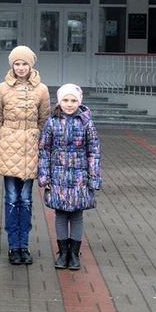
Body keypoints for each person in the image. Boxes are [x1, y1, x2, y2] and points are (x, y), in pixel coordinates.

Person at [0, 46, 50, 266]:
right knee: (11, 198)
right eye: (17, 63)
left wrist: (32, 136)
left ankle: (24, 245)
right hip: (9, 148)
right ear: (12, 65)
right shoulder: (2, 88)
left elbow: (44, 119)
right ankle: (12, 245)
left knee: (25, 199)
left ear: (31, 65)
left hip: (30, 149)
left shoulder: (41, 90)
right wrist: (8, 135)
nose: (21, 67)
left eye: (24, 63)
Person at [38, 83, 101, 271]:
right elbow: (44, 150)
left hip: (80, 176)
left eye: (73, 100)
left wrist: (94, 177)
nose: (69, 104)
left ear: (79, 102)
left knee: (76, 215)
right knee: (60, 214)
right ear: (59, 101)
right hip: (58, 176)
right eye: (65, 100)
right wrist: (44, 176)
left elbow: (94, 152)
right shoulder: (51, 122)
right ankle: (63, 252)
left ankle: (74, 253)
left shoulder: (87, 123)